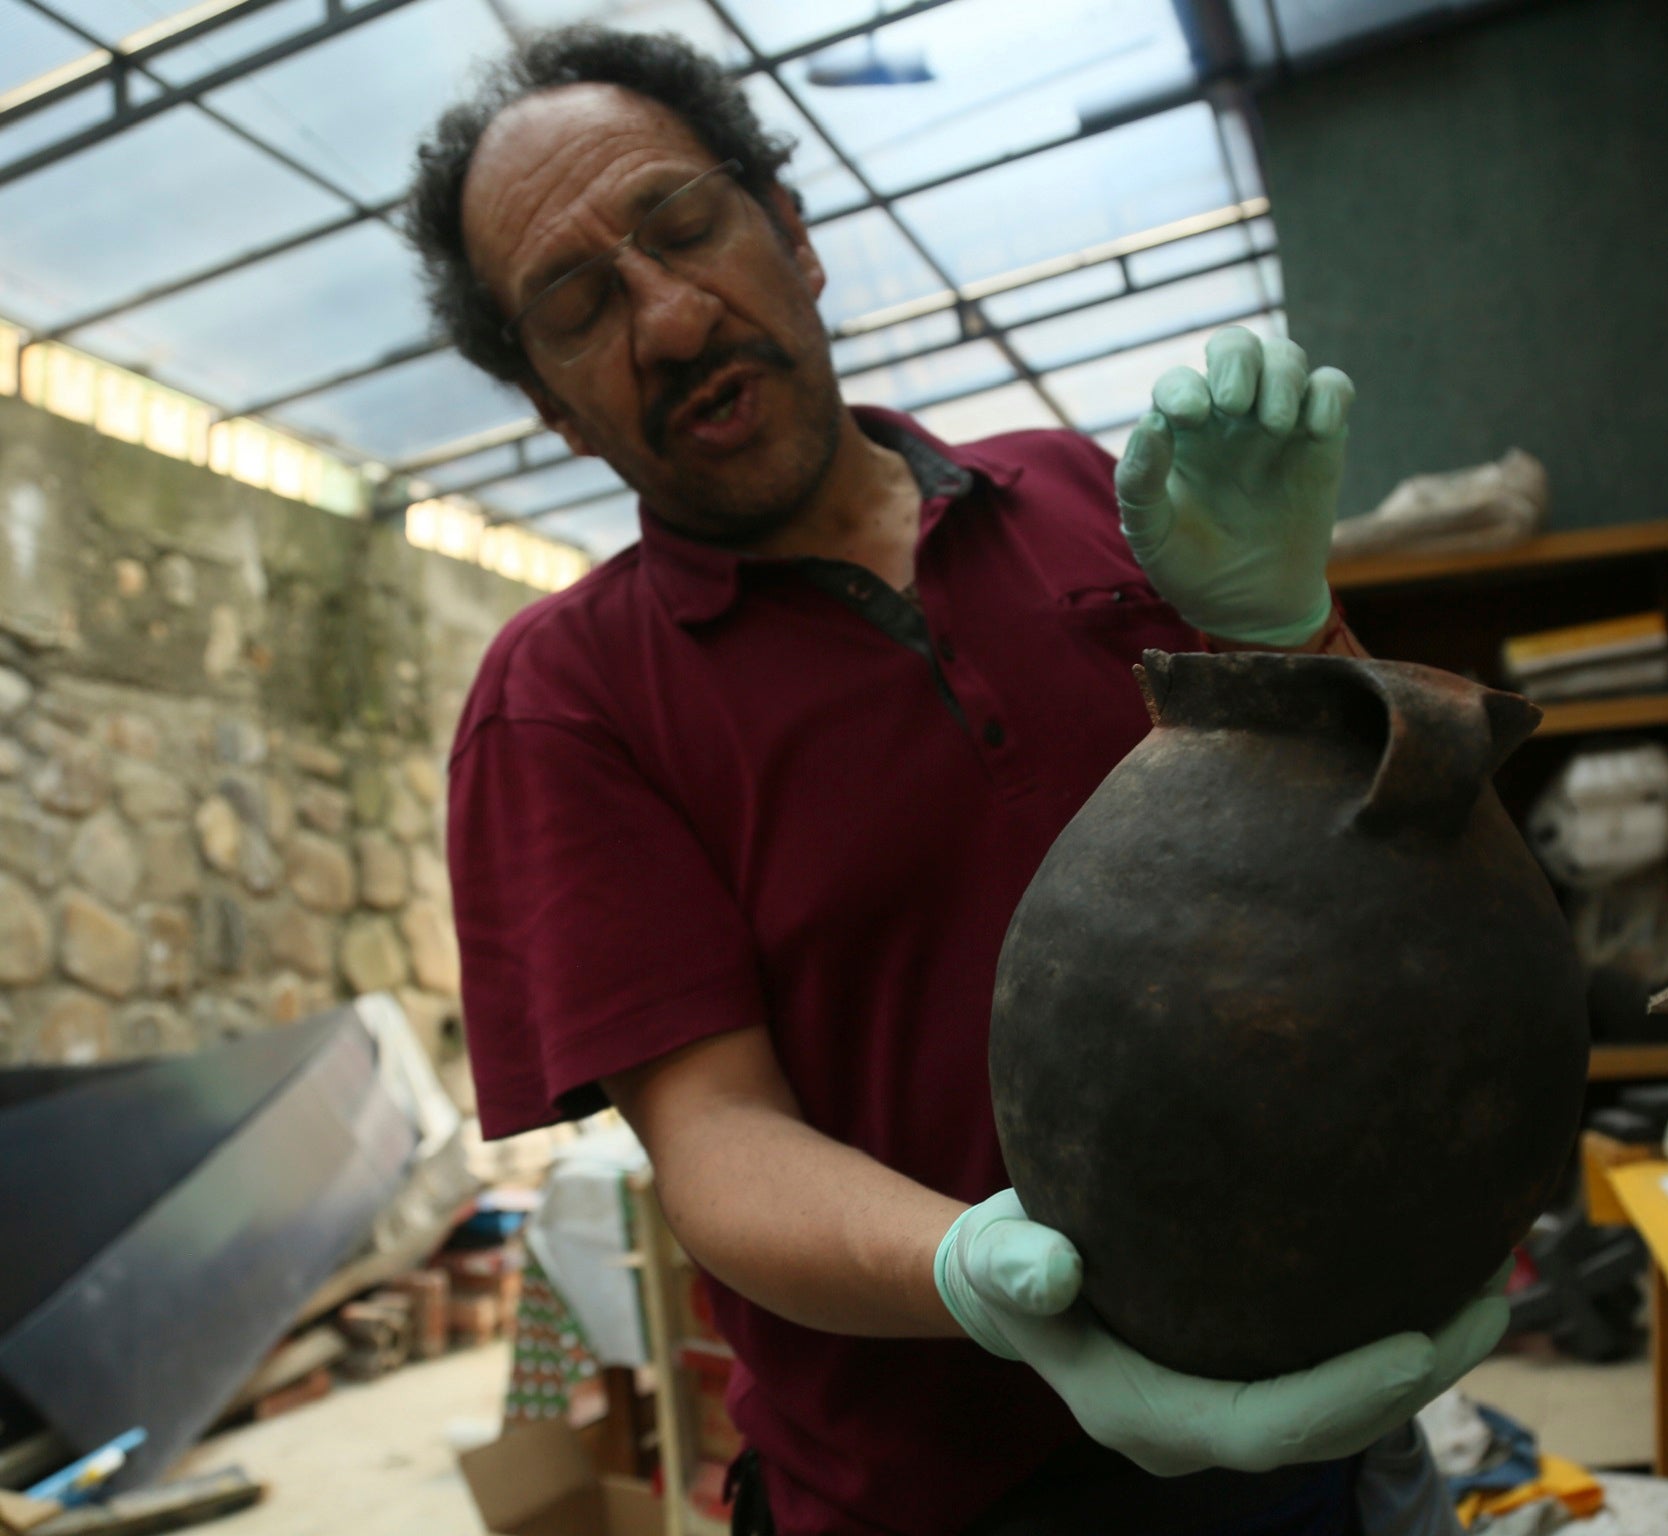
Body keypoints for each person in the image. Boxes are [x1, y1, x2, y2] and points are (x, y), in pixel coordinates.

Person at [405, 27, 1508, 1536]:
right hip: (933, 1497)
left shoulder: (1074, 492)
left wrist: (1291, 628)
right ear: (549, 404)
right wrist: (991, 1284)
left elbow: (1380, 860)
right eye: (581, 305)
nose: (666, 319)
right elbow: (714, 1137)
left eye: (683, 227)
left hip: (1325, 1407)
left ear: (790, 233)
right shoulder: (569, 696)